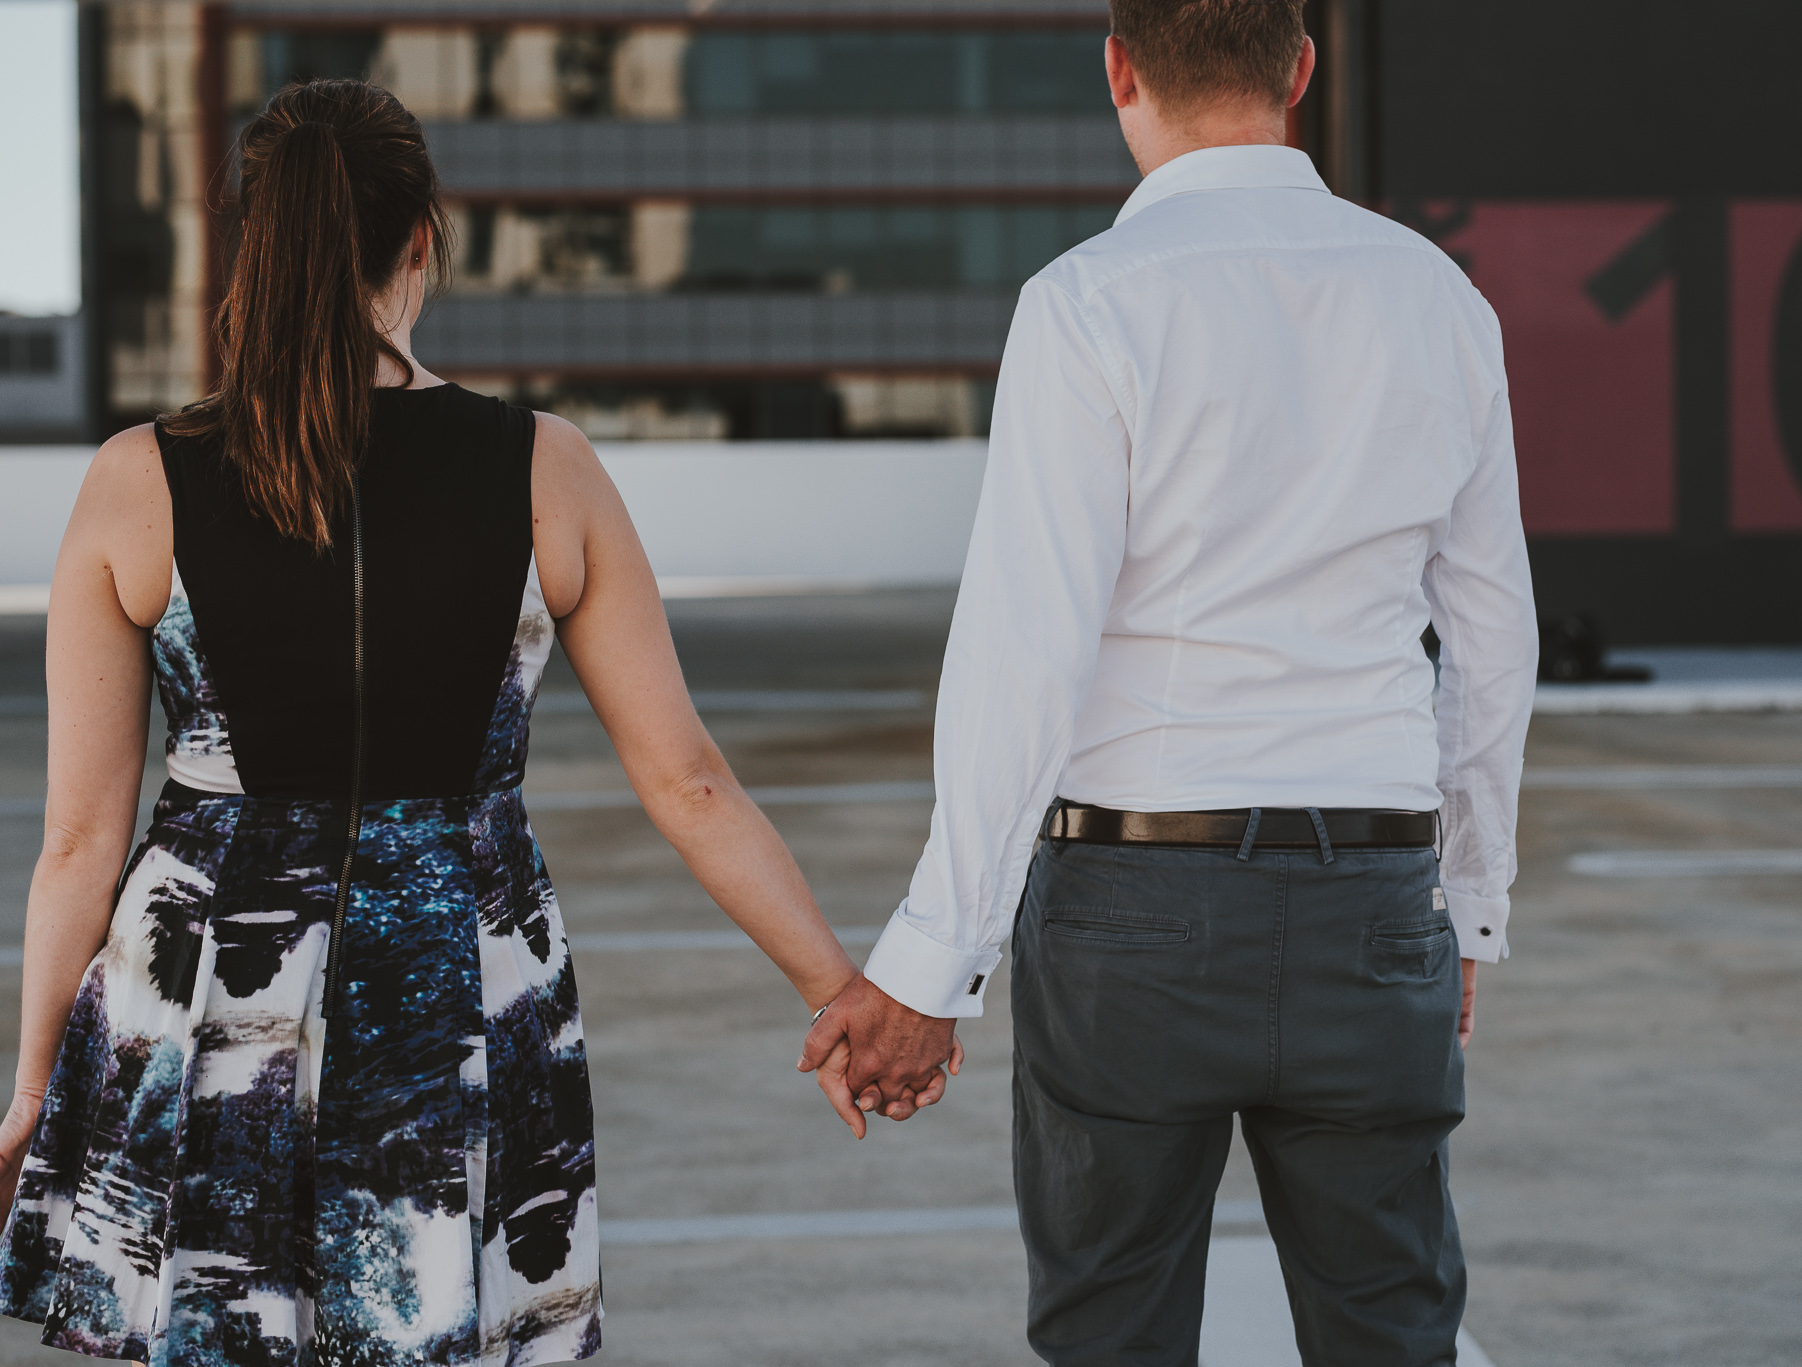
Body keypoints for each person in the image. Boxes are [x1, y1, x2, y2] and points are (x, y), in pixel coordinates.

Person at [0, 79, 939, 1367]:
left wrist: (34, 1090)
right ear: (421, 244)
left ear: (247, 248)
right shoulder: (545, 468)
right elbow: (689, 783)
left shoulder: (133, 482)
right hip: (465, 973)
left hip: (211, 986)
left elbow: (78, 839)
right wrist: (842, 992)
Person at [801, 1, 1540, 1361]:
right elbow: (1493, 636)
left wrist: (932, 962)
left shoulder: (1089, 303)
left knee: (1113, 1334)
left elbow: (1028, 651)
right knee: (1393, 1333)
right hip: (1373, 903)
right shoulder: (1438, 296)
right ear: (1303, 72)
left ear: (1118, 69)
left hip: (1132, 913)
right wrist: (1470, 905)